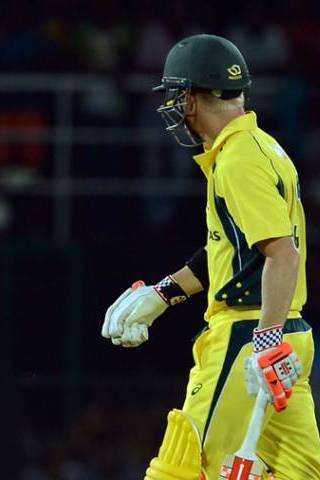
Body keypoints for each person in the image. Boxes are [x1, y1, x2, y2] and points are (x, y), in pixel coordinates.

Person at [101, 34, 320, 479]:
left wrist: (265, 340)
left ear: (195, 96)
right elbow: (236, 252)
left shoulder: (238, 159)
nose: (174, 106)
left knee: (180, 468)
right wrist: (165, 294)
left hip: (250, 336)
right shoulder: (263, 148)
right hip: (290, 335)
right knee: (298, 473)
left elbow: (283, 254)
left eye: (177, 94)